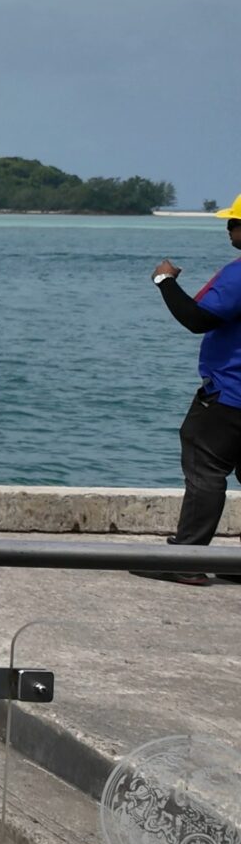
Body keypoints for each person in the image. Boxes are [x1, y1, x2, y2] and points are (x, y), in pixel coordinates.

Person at [147, 195, 241, 581]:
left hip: (231, 393)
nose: (228, 228)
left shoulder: (238, 275)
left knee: (204, 464)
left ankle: (186, 559)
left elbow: (197, 318)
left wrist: (165, 281)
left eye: (233, 221)